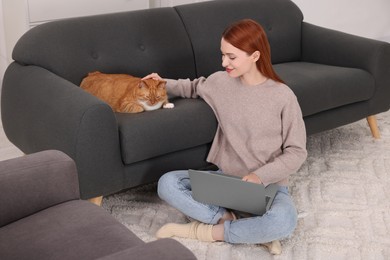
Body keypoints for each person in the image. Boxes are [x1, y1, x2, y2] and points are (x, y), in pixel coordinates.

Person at [143, 19, 307, 255]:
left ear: (255, 56)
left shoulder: (283, 96)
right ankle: (234, 222)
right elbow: (192, 87)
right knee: (167, 183)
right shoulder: (221, 82)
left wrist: (259, 176)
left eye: (231, 57)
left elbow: (297, 152)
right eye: (222, 55)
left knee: (284, 221)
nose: (224, 63)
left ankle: (205, 231)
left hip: (268, 187)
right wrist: (159, 83)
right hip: (224, 180)